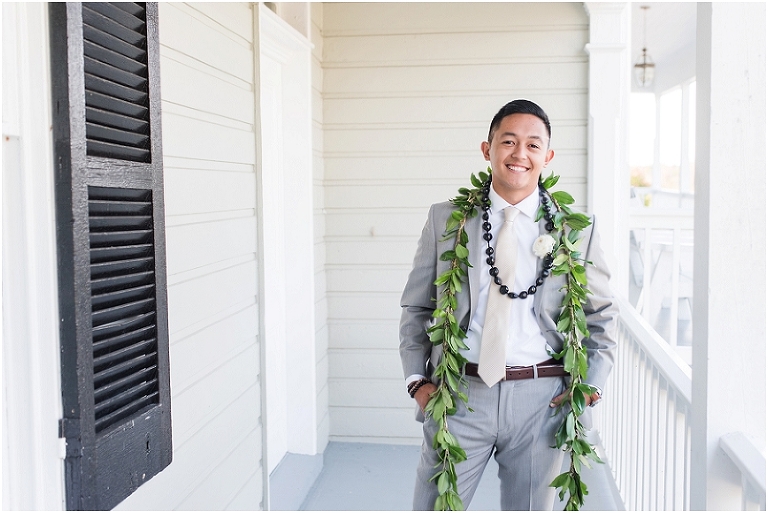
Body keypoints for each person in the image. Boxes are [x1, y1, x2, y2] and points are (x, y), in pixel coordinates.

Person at [399, 99, 618, 510]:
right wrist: (417, 381)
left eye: (534, 145)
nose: (520, 154)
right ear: (488, 149)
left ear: (547, 157)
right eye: (509, 141)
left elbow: (601, 316)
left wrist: (591, 384)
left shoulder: (576, 232)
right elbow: (417, 307)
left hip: (543, 400)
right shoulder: (446, 221)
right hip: (460, 395)